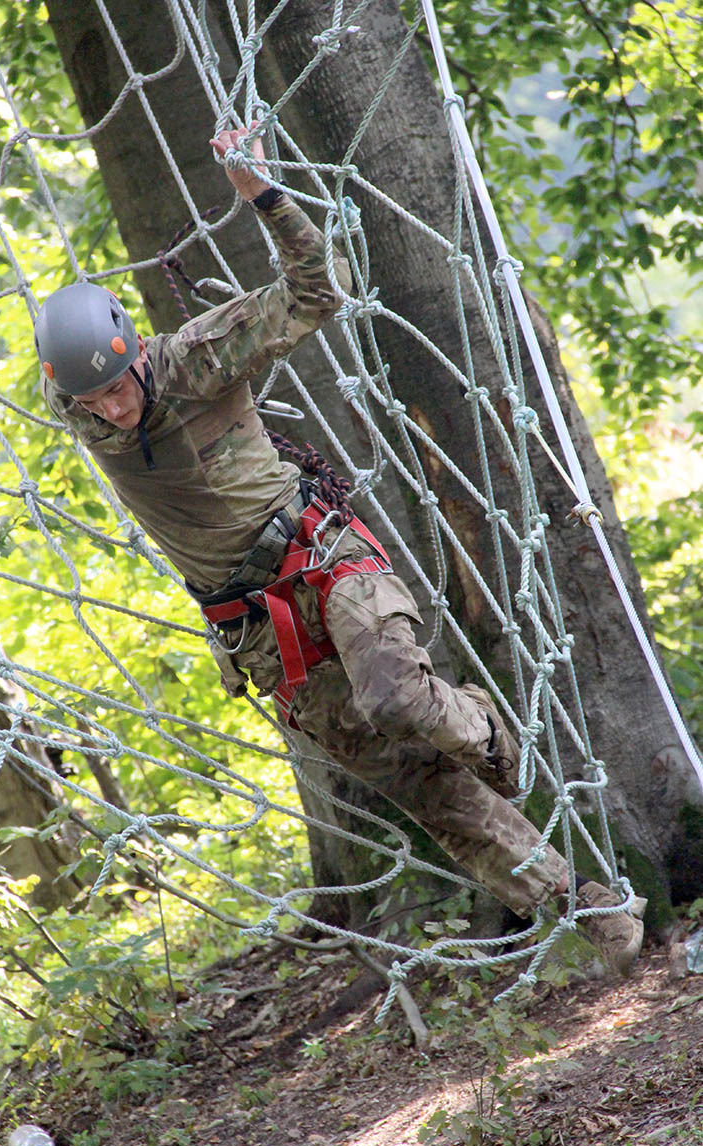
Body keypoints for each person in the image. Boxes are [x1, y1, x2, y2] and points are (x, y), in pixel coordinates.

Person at [34, 124, 644, 975]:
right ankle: (587, 908)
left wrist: (265, 198)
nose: (109, 410)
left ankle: (487, 731)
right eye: (89, 401)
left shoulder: (195, 360)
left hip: (324, 564)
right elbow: (72, 368)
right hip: (259, 632)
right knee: (427, 791)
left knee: (397, 697)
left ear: (137, 352)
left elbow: (319, 291)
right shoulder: (75, 402)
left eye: (115, 387)